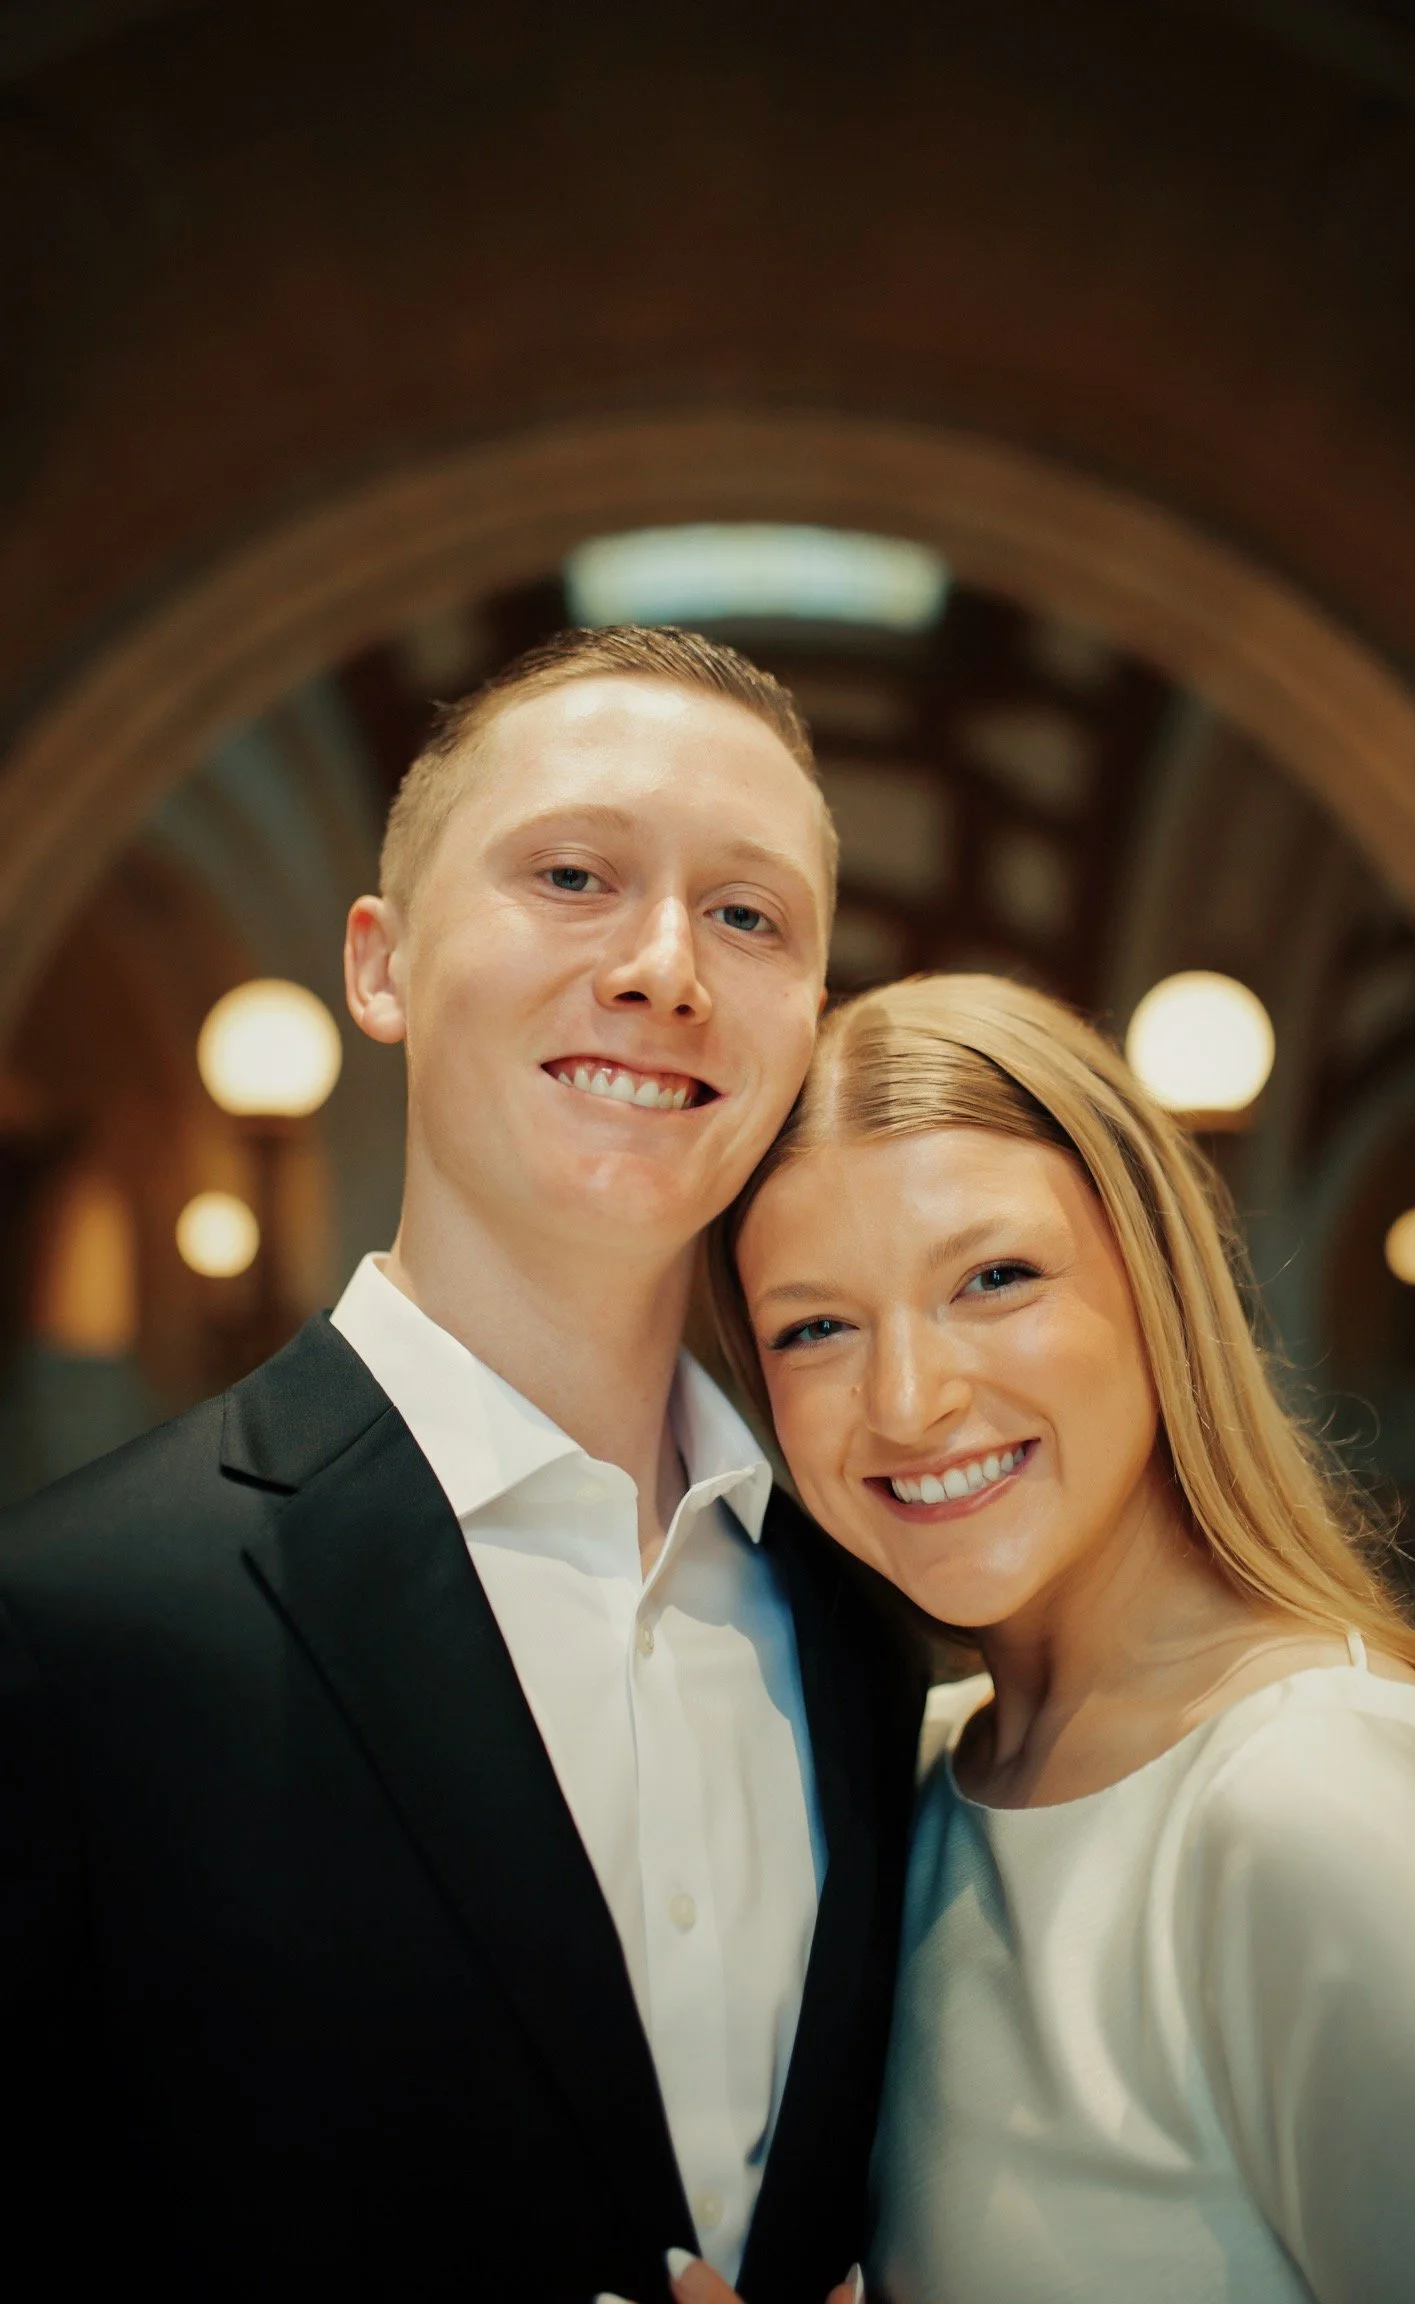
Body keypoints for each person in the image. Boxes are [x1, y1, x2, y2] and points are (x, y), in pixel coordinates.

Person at [0, 627, 927, 2304]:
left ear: (808, 1018)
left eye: (749, 916)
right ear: (383, 966)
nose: (666, 969)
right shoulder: (71, 1624)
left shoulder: (865, 1618)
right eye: (573, 876)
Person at [668, 970, 1415, 2304]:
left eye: (994, 1279)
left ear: (1157, 1281)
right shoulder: (911, 1787)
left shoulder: (1315, 1800)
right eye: (817, 1328)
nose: (907, 1401)